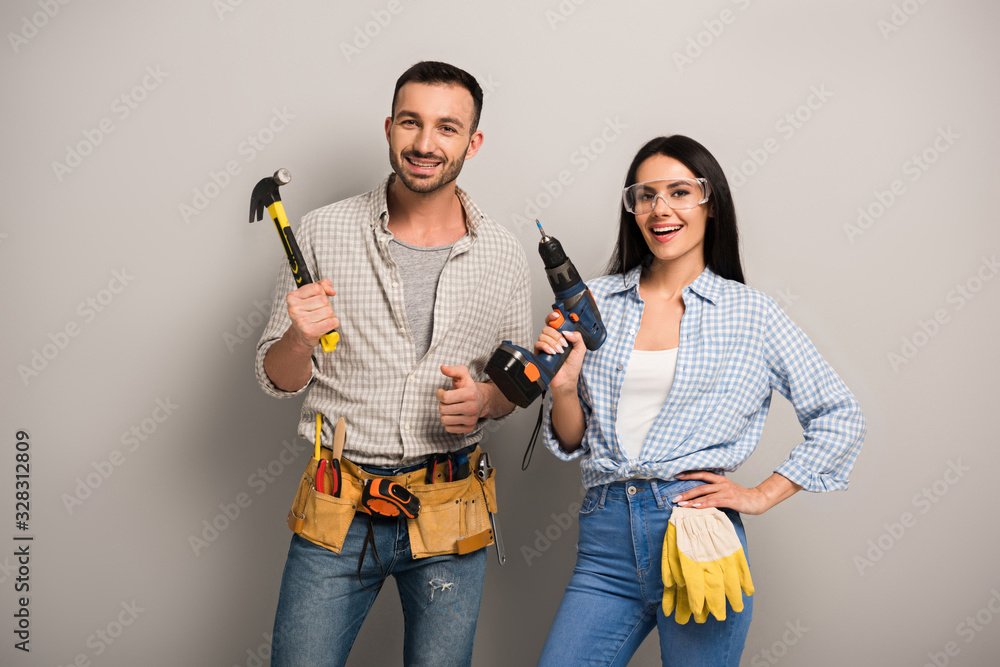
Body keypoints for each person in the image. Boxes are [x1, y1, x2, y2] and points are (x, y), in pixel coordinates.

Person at [534, 135, 866, 667]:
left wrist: (759, 495)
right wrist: (565, 386)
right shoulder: (597, 302)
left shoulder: (751, 314)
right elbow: (573, 438)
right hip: (604, 543)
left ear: (711, 205)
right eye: (645, 195)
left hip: (696, 538)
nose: (660, 208)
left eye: (679, 192)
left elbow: (839, 415)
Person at [256, 61, 531, 667]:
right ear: (389, 128)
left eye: (447, 128)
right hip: (337, 507)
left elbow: (513, 385)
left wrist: (487, 400)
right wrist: (301, 339)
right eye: (411, 122)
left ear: (472, 142)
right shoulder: (322, 231)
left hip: (450, 506)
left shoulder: (504, 256)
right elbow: (277, 378)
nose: (425, 143)